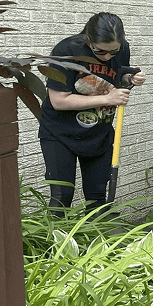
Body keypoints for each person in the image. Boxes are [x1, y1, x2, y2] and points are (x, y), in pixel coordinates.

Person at [38, 12, 146, 212]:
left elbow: (115, 78)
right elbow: (58, 100)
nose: (107, 57)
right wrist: (107, 99)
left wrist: (129, 80)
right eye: (100, 51)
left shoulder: (121, 49)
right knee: (62, 196)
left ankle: (98, 241)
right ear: (89, 39)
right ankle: (58, 242)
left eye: (113, 52)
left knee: (97, 198)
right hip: (60, 133)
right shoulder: (66, 50)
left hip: (98, 133)